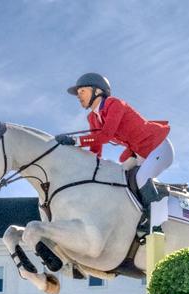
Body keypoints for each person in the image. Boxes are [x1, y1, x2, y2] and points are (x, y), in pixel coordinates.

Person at [55, 73, 173, 205]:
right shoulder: (92, 118)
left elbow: (105, 136)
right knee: (118, 179)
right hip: (139, 153)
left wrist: (75, 141)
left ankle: (156, 215)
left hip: (158, 147)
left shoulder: (114, 103)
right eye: (77, 93)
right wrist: (87, 166)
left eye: (82, 91)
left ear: (97, 91)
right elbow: (95, 149)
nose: (78, 96)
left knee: (141, 179)